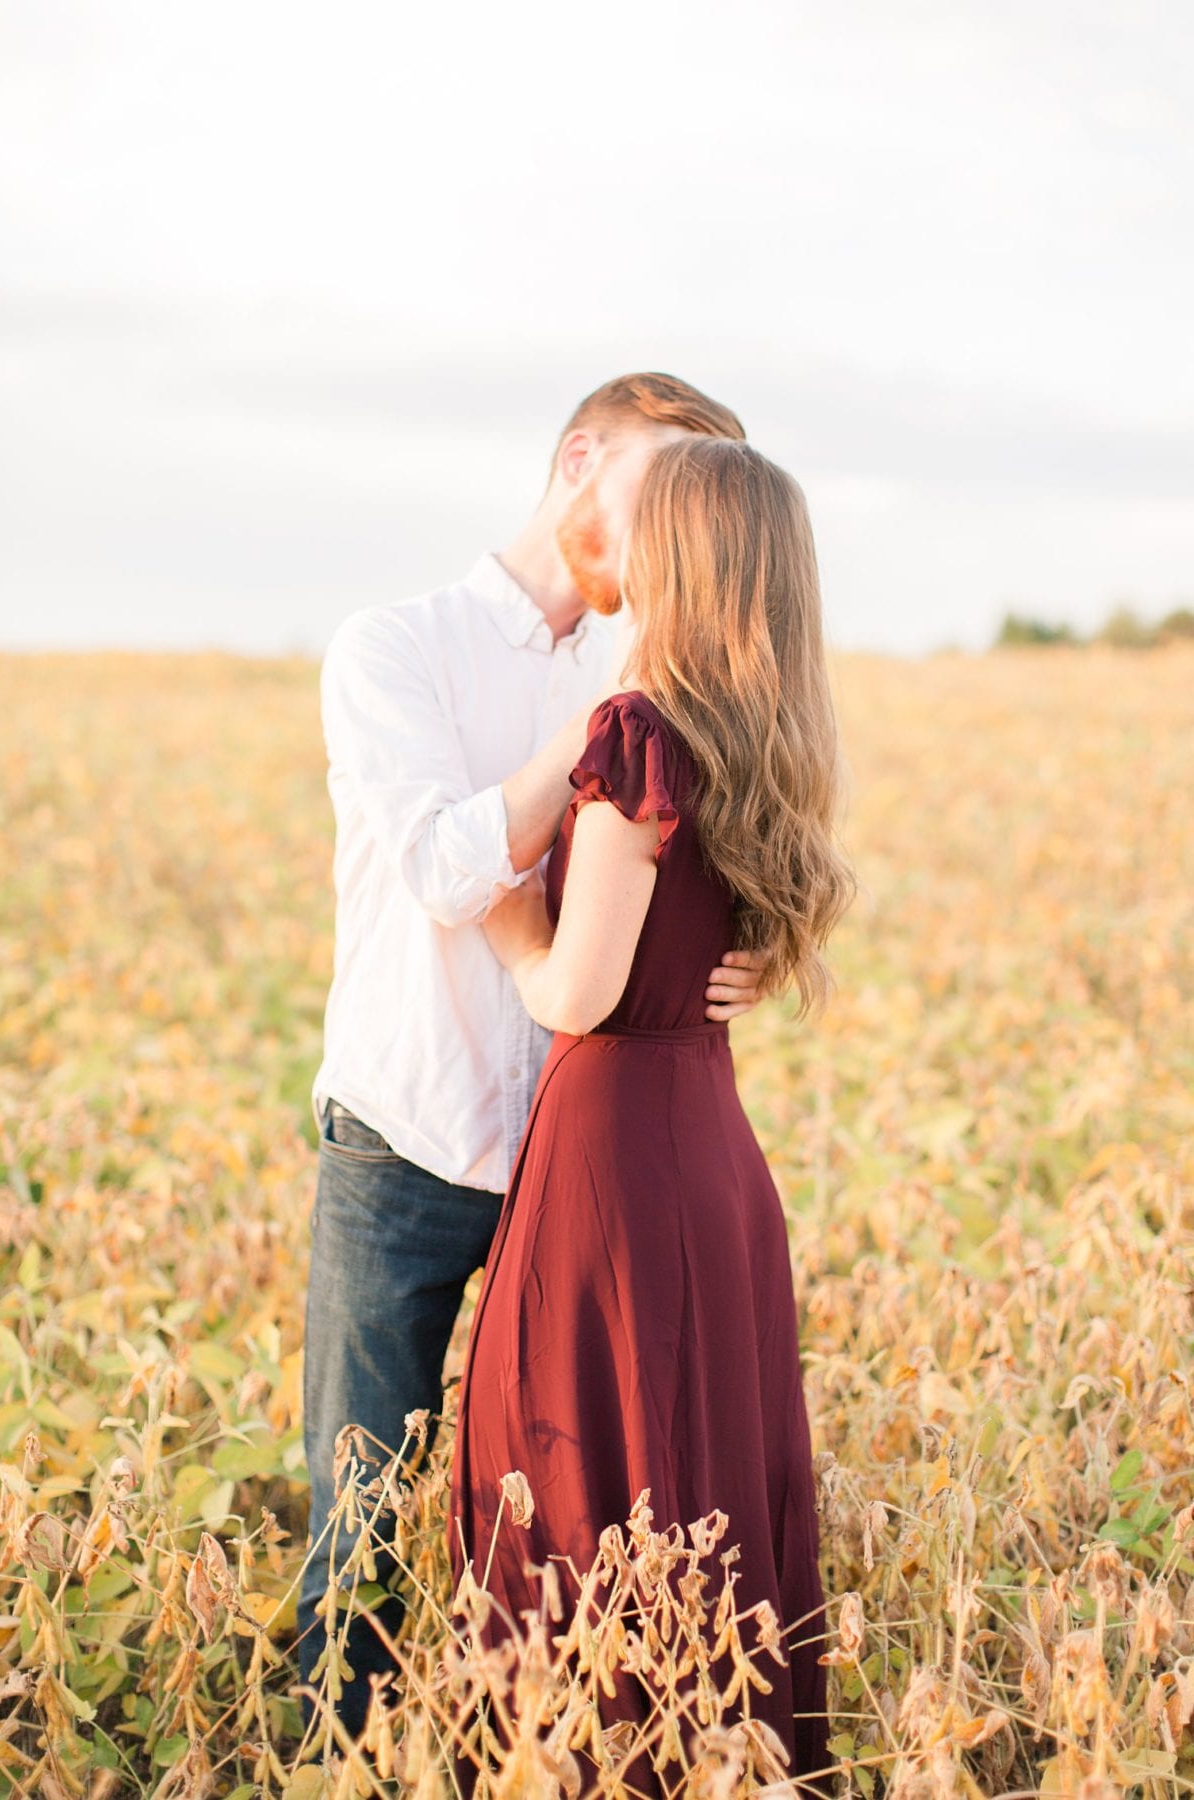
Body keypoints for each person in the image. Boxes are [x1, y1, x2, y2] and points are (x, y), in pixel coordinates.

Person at [297, 374, 773, 1741]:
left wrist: (753, 956)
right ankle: (348, 1761)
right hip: (408, 1136)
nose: (675, 530)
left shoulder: (657, 675)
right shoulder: (394, 647)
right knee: (366, 1508)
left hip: (576, 1165)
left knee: (553, 1506)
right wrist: (595, 735)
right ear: (582, 462)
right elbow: (447, 869)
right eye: (658, 490)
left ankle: (504, 1745)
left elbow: (717, 859)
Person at [449, 435, 856, 1794]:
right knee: (702, 1482)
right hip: (711, 1149)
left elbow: (577, 990)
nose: (598, 528)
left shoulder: (637, 735)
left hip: (614, 1145)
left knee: (580, 1476)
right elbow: (723, 944)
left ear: (680, 556)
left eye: (629, 515)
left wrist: (504, 919)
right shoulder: (767, 734)